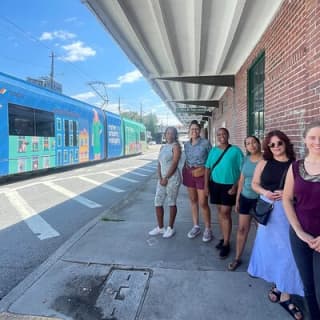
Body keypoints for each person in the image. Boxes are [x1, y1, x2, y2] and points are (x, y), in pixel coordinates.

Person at [248, 130, 304, 320]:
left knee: (288, 252)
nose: (276, 147)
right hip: (268, 211)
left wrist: (290, 195)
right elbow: (254, 184)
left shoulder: (295, 165)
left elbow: (302, 191)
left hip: (287, 212)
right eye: (272, 145)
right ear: (268, 147)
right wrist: (266, 191)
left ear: (285, 143)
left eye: (279, 143)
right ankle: (279, 284)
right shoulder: (264, 162)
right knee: (271, 250)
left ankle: (285, 296)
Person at [283, 122, 320, 320]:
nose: (317, 142)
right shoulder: (296, 167)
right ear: (305, 140)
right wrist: (298, 231)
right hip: (300, 235)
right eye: (313, 137)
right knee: (308, 286)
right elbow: (287, 199)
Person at [205, 127, 243, 259]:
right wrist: (206, 186)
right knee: (220, 212)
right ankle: (224, 237)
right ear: (216, 137)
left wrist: (235, 186)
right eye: (219, 134)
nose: (221, 136)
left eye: (224, 134)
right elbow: (207, 169)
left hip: (229, 187)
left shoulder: (236, 151)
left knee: (226, 213)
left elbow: (242, 171)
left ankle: (226, 244)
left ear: (228, 135)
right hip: (215, 185)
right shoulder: (213, 151)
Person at [227, 136, 262, 271]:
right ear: (246, 147)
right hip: (246, 198)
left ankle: (261, 260)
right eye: (248, 143)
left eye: (254, 142)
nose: (251, 145)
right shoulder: (245, 159)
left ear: (258, 144)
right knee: (242, 229)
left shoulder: (266, 160)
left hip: (261, 201)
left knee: (262, 232)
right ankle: (237, 258)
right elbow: (241, 180)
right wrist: (237, 200)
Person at [183, 120, 213, 242]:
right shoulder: (186, 144)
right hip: (189, 173)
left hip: (201, 174)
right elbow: (187, 158)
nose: (194, 131)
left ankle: (208, 229)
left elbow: (211, 160)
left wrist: (203, 169)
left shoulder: (206, 143)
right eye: (192, 129)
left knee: (203, 203)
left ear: (199, 130)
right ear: (189, 130)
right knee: (193, 200)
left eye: (196, 129)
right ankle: (196, 226)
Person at [149, 126, 182, 238]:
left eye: (172, 133)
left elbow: (175, 163)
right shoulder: (162, 147)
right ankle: (160, 227)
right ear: (165, 135)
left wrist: (166, 177)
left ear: (175, 135)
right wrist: (160, 177)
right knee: (157, 202)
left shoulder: (176, 146)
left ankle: (170, 228)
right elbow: (159, 163)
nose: (170, 135)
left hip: (172, 178)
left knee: (171, 202)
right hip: (162, 179)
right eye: (168, 133)